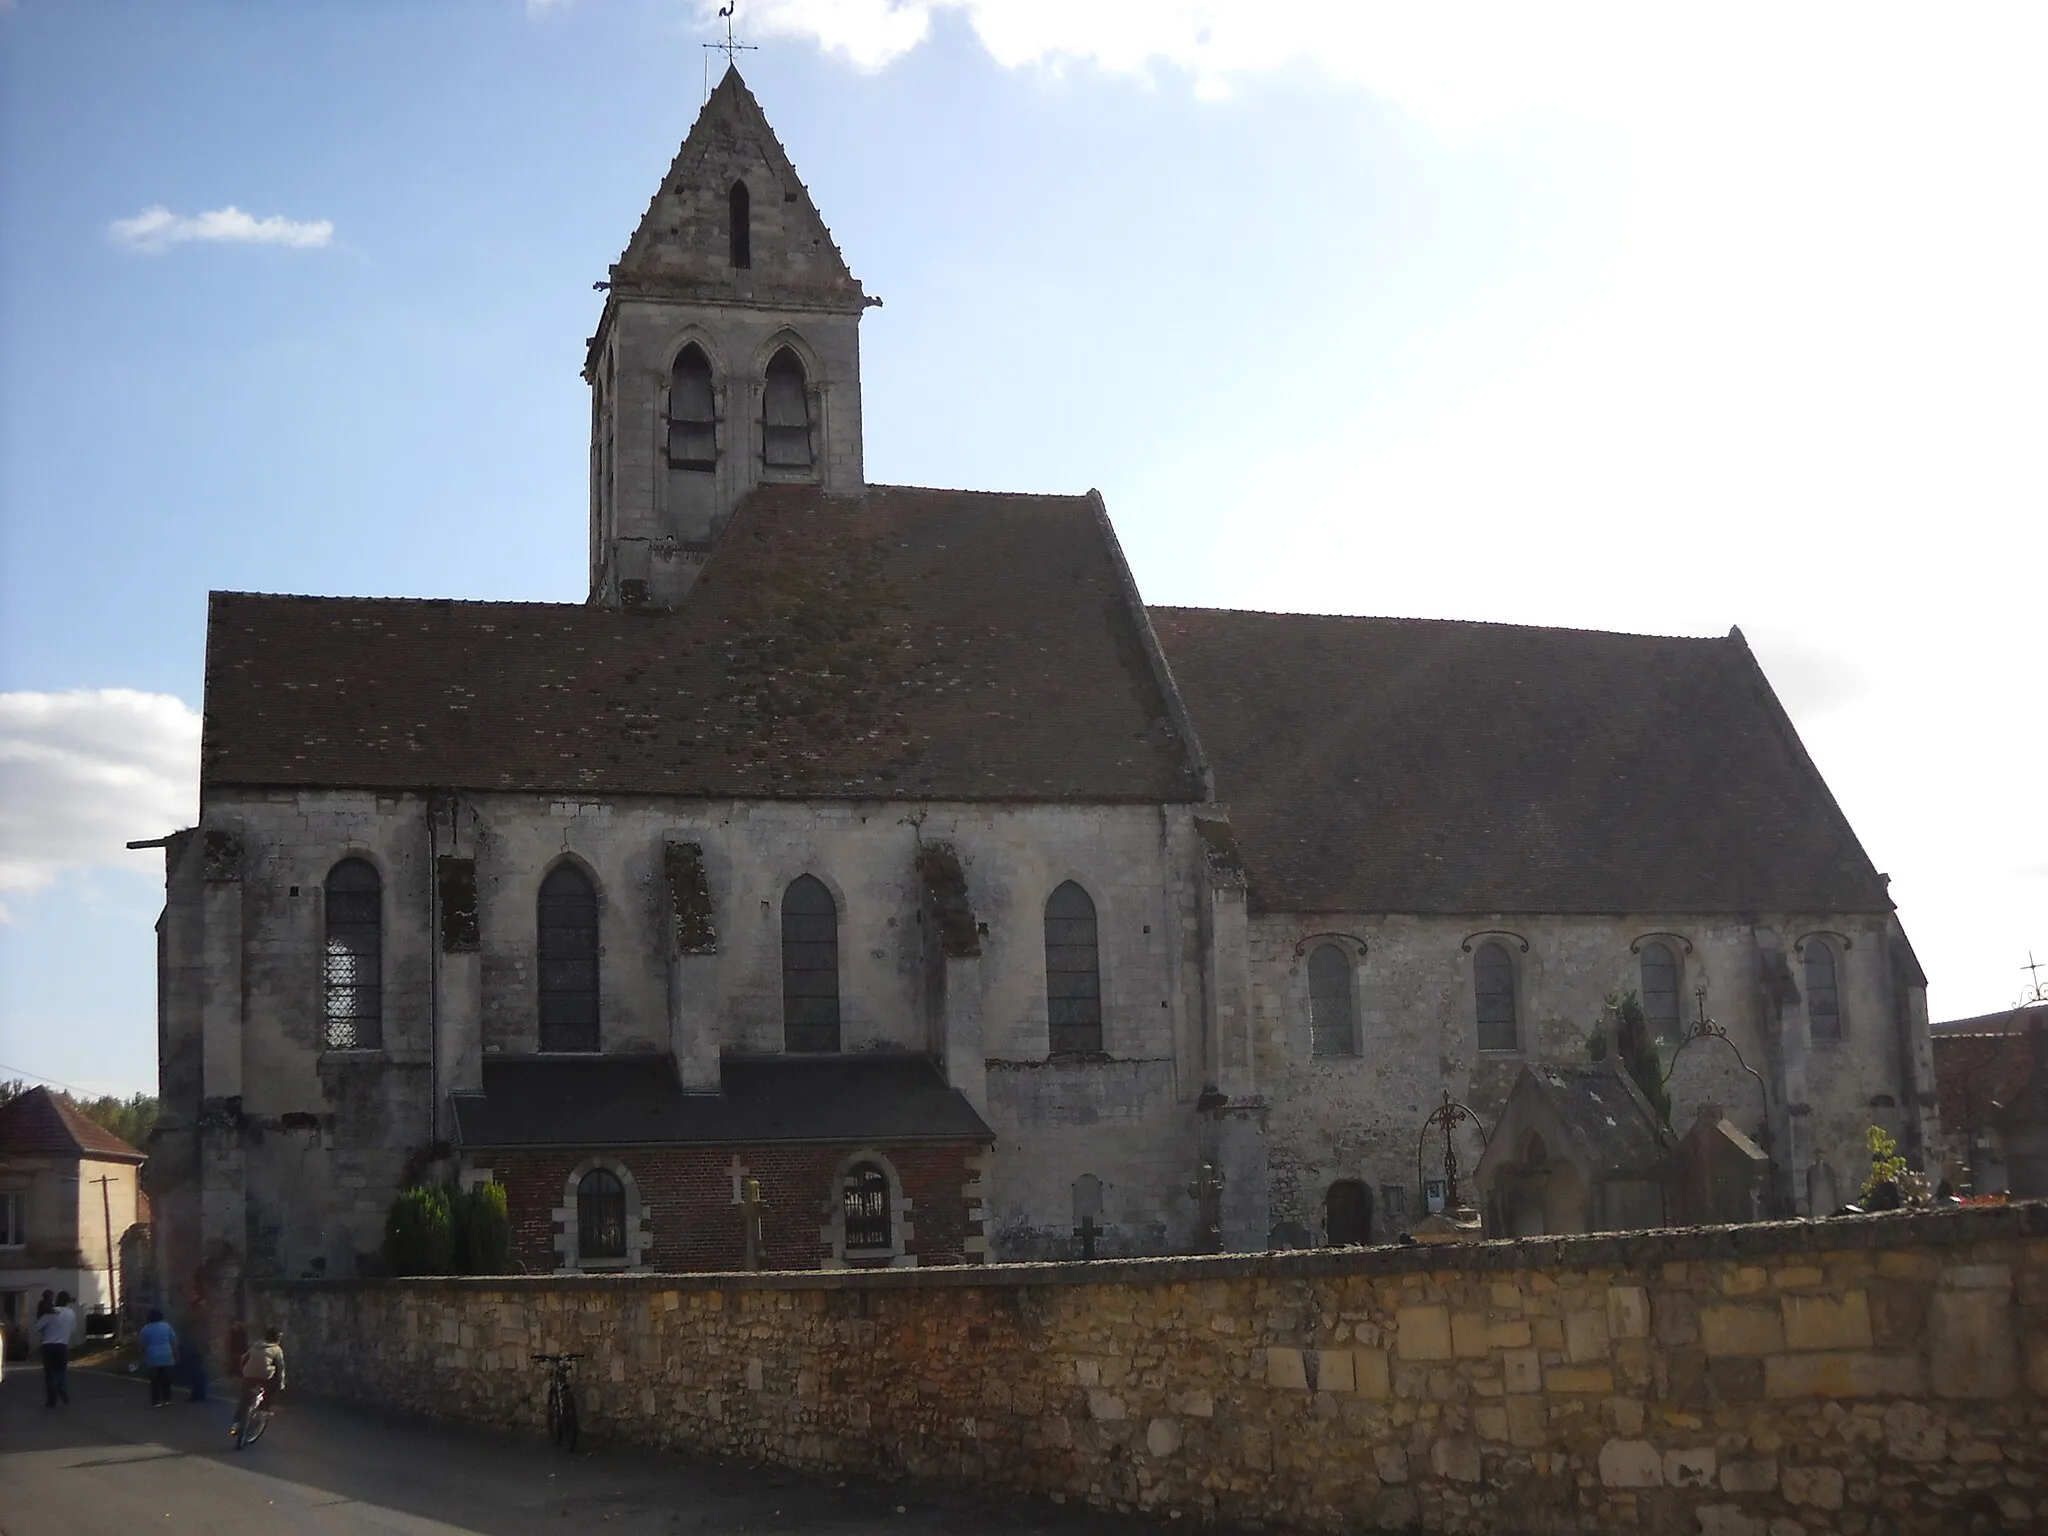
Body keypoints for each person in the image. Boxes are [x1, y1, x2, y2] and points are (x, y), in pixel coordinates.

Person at [231, 1326, 286, 1437]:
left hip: (249, 1375)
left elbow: (244, 1359)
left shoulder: (255, 1346)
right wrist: (281, 1384)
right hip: (265, 1377)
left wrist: (244, 1372)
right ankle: (263, 1410)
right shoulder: (276, 1350)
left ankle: (236, 1422)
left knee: (245, 1398)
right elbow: (280, 1368)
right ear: (277, 1339)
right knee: (270, 1391)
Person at [33, 1295, 71, 1407]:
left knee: (49, 1374)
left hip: (48, 1345)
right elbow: (73, 1329)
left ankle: (52, 1399)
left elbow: (37, 1327)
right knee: (61, 1370)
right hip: (62, 1345)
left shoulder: (50, 1313)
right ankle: (62, 1389)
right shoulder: (70, 1313)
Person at [139, 1308, 179, 1407]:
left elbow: (142, 1344)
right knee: (166, 1379)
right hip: (167, 1355)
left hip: (152, 1356)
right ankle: (167, 1399)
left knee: (155, 1380)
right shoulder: (167, 1327)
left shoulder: (145, 1329)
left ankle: (156, 1401)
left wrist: (142, 1354)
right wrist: (176, 1354)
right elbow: (173, 1341)